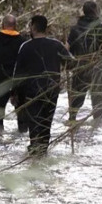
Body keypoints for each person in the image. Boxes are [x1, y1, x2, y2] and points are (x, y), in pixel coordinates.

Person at [12, 15, 73, 156]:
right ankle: (43, 153)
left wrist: (14, 94)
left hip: (32, 93)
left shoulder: (26, 47)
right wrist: (67, 51)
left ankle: (35, 155)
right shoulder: (57, 45)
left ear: (33, 28)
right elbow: (71, 63)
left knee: (34, 126)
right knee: (46, 125)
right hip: (52, 91)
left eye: (30, 26)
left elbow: (18, 75)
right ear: (46, 28)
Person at [66, 1, 102, 124]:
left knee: (76, 99)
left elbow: (67, 49)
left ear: (84, 12)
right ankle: (97, 125)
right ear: (96, 11)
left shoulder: (75, 29)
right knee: (98, 101)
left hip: (80, 68)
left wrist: (68, 64)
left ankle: (71, 122)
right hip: (97, 69)